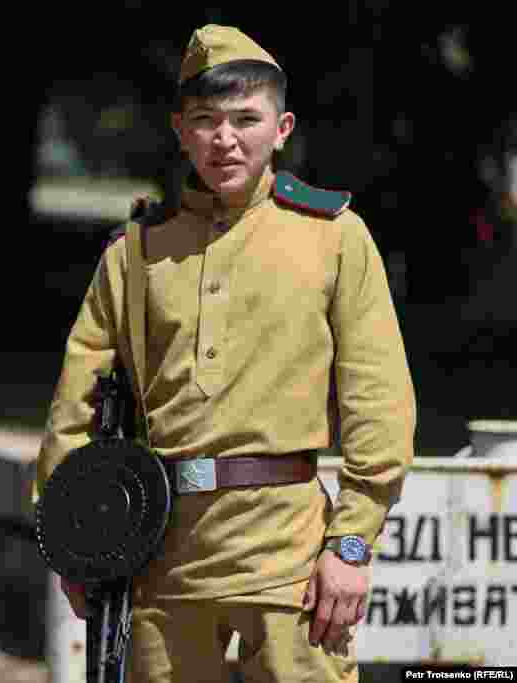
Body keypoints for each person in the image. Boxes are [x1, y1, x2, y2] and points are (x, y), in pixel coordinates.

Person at [35, 25, 415, 682]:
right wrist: (74, 539)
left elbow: (377, 404)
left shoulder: (336, 238)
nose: (225, 138)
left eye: (246, 118)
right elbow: (78, 402)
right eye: (207, 121)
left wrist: (351, 543)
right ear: (180, 129)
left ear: (283, 126)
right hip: (159, 556)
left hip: (290, 556)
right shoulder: (134, 252)